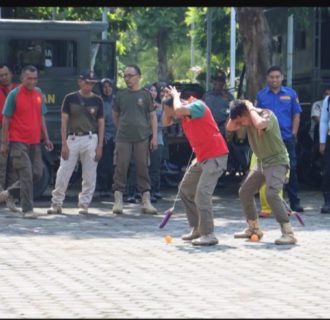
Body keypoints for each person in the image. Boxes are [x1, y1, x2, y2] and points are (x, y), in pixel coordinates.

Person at [162, 86, 229, 246]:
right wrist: (166, 104)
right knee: (185, 189)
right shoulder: (181, 112)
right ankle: (197, 228)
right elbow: (166, 123)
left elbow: (177, 110)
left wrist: (175, 97)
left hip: (215, 156)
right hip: (201, 157)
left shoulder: (197, 106)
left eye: (169, 111)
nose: (172, 116)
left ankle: (209, 234)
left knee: (202, 194)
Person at [226, 99, 297, 245]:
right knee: (245, 191)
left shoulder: (266, 114)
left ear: (246, 112)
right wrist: (238, 112)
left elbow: (260, 124)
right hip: (261, 162)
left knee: (271, 194)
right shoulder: (245, 118)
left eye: (241, 119)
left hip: (277, 161)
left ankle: (288, 233)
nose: (240, 124)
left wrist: (250, 107)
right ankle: (254, 229)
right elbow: (230, 127)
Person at [47, 70, 104, 215]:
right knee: (63, 172)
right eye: (87, 82)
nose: (89, 86)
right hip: (72, 137)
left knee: (89, 174)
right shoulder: (70, 98)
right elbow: (64, 121)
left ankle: (84, 204)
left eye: (92, 83)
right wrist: (64, 143)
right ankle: (56, 203)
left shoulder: (98, 100)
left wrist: (100, 146)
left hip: (91, 137)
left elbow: (101, 124)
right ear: (80, 82)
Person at [0, 65, 53, 217]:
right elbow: (6, 120)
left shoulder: (39, 93)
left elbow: (42, 116)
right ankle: (27, 209)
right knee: (26, 174)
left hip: (35, 141)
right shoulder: (13, 95)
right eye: (29, 78)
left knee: (37, 173)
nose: (32, 81)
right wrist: (4, 143)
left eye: (35, 78)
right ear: (22, 78)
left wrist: (47, 138)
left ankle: (9, 193)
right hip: (18, 141)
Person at [256, 66, 304, 213]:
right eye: (272, 77)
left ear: (282, 77)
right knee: (266, 169)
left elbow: (296, 115)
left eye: (277, 77)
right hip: (267, 140)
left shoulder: (290, 94)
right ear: (267, 78)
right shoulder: (261, 95)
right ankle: (269, 203)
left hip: (286, 137)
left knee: (292, 169)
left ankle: (294, 201)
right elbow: (256, 116)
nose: (274, 79)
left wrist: (294, 133)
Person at [112, 65, 158, 215]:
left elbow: (152, 116)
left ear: (139, 76)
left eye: (130, 75)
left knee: (143, 167)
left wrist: (154, 137)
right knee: (121, 167)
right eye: (125, 76)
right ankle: (118, 200)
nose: (127, 79)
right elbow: (115, 115)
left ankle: (146, 200)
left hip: (142, 137)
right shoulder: (120, 95)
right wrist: (122, 128)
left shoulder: (146, 95)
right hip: (123, 137)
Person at [95, 78, 116, 198]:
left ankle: (113, 186)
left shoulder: (116, 101)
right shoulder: (99, 102)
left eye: (109, 87)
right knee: (104, 163)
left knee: (116, 163)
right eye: (105, 87)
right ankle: (103, 187)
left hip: (117, 136)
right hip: (104, 136)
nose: (107, 89)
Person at [0, 64, 18, 195]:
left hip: (16, 131)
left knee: (14, 165)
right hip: (2, 130)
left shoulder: (19, 90)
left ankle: (10, 195)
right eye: (1, 76)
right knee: (1, 164)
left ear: (11, 74)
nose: (4, 77)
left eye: (6, 74)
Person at [319, 92, 330, 214]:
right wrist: (322, 141)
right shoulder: (328, 99)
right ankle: (327, 201)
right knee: (328, 171)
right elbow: (324, 121)